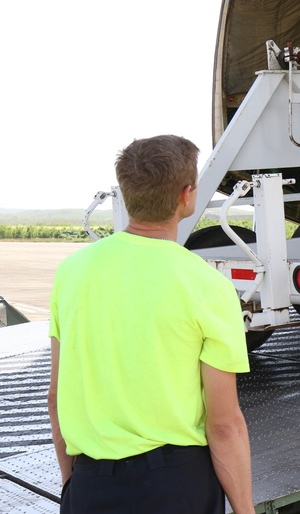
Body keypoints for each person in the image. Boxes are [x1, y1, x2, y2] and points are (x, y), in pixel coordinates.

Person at [47, 135, 254, 514]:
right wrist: (245, 509)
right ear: (186, 196)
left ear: (127, 194)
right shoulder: (209, 287)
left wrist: (72, 486)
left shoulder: (71, 273)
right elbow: (224, 425)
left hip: (91, 484)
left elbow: (56, 399)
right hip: (177, 487)